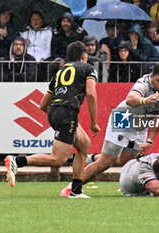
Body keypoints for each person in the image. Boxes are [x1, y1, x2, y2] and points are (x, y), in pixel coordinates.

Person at [60, 62, 159, 197]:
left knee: (127, 160)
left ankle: (93, 157)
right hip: (123, 117)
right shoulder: (143, 83)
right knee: (107, 161)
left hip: (141, 124)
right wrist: (145, 100)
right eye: (158, 80)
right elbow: (130, 100)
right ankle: (72, 187)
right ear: (152, 77)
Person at [5, 41, 100, 199]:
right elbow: (91, 94)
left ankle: (76, 190)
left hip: (54, 111)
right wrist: (94, 123)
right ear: (84, 56)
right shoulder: (88, 68)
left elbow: (43, 104)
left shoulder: (60, 71)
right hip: (67, 112)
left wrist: (57, 115)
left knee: (84, 144)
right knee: (58, 159)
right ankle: (17, 161)